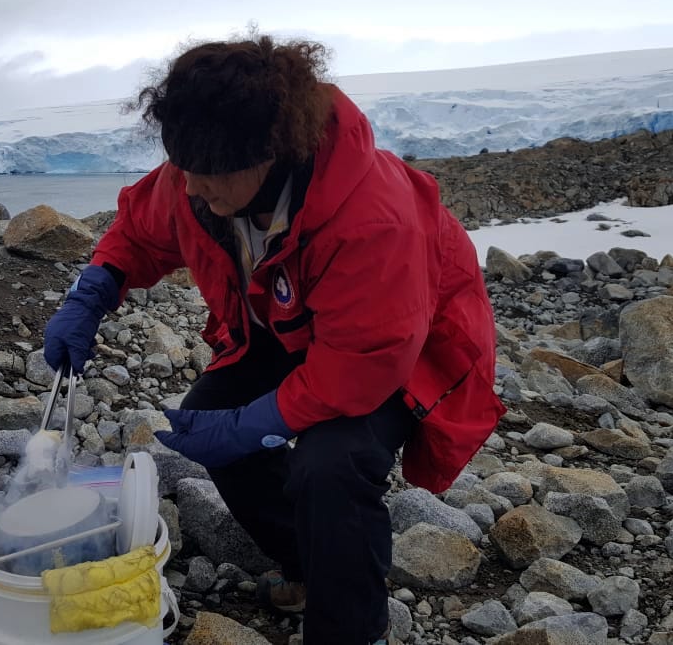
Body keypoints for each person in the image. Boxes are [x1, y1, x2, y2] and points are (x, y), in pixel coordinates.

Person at [42, 33, 505, 645]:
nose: (193, 188)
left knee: (331, 463)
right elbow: (139, 231)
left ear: (270, 155)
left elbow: (363, 364)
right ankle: (309, 568)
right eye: (185, 170)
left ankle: (348, 629)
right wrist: (92, 292)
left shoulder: (371, 218)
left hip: (401, 350)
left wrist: (257, 423)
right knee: (211, 416)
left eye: (209, 176)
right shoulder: (201, 176)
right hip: (294, 330)